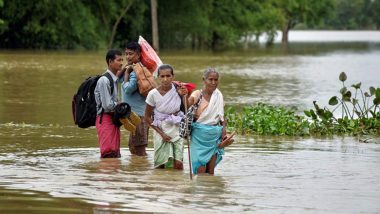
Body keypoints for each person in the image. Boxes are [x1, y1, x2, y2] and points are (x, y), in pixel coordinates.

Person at [186, 68, 234, 175]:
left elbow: (221, 116)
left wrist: (224, 130)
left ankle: (210, 189)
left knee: (211, 171)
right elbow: (188, 103)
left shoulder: (218, 95)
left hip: (214, 136)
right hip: (199, 137)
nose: (213, 82)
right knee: (200, 169)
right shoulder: (197, 94)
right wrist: (184, 95)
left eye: (216, 80)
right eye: (210, 79)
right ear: (204, 80)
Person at [144, 64, 187, 169]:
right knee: (161, 163)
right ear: (158, 77)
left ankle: (177, 184)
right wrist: (162, 134)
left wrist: (184, 95)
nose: (165, 79)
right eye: (162, 76)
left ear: (173, 76)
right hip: (160, 129)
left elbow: (186, 109)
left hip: (176, 128)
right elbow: (147, 117)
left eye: (168, 76)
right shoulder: (153, 94)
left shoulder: (179, 90)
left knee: (178, 164)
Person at [118, 42, 149, 156]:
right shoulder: (133, 68)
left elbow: (128, 89)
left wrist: (126, 72)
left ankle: (142, 171)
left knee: (139, 149)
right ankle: (136, 171)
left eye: (131, 54)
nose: (127, 57)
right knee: (133, 147)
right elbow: (118, 79)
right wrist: (125, 69)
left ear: (139, 55)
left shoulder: (137, 71)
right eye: (126, 54)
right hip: (135, 115)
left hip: (139, 116)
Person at [94, 49, 123, 158]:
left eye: (122, 60)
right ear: (110, 62)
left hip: (113, 119)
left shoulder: (114, 79)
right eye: (118, 60)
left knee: (115, 154)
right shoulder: (104, 80)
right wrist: (120, 105)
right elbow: (107, 105)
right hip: (104, 118)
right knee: (108, 153)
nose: (121, 63)